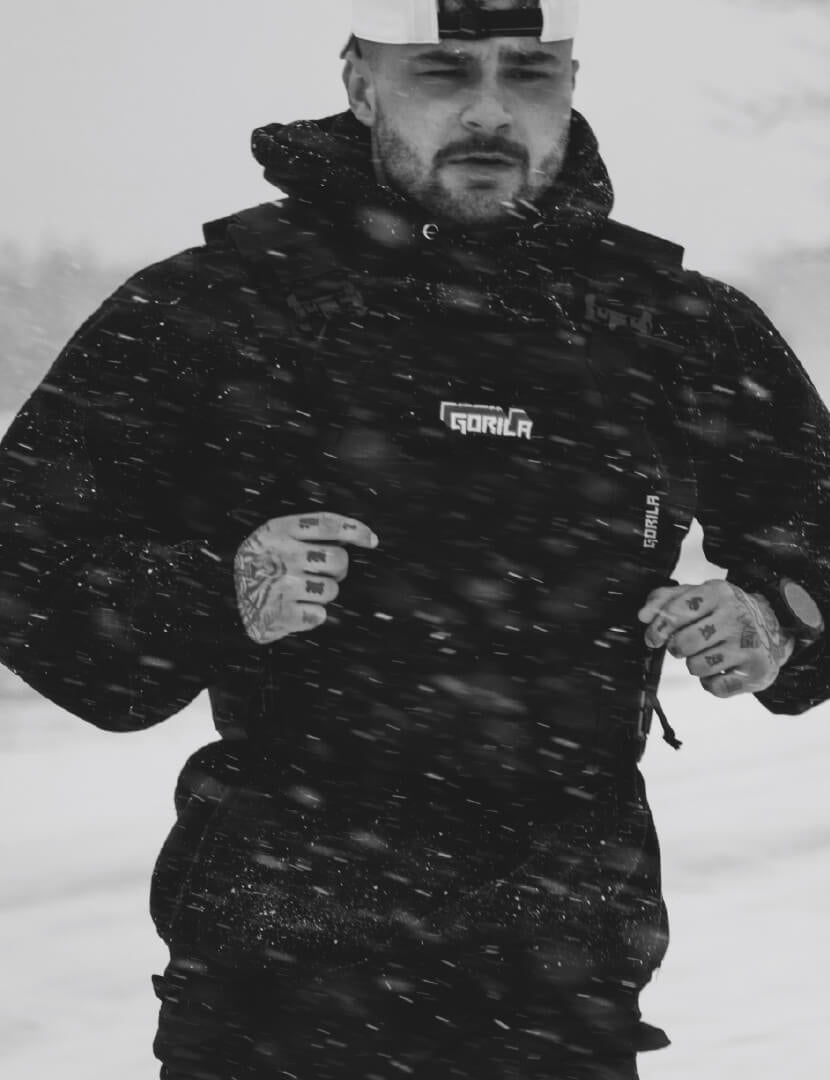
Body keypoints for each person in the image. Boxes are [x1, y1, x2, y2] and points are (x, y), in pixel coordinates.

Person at [1, 0, 829, 1076]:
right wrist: (214, 591)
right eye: (442, 72)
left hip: (561, 982)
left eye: (528, 72)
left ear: (569, 85)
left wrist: (773, 615)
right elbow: (25, 563)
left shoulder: (670, 325)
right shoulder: (217, 309)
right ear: (359, 83)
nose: (490, 109)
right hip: (274, 981)